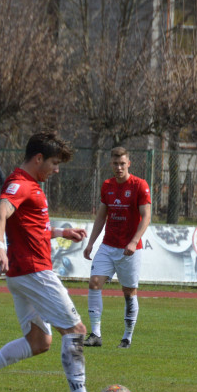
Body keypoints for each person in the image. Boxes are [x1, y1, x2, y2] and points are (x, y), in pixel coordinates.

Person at [0, 131, 120, 392]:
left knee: (39, 341)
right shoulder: (21, 183)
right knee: (77, 331)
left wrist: (61, 232)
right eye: (55, 163)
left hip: (22, 274)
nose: (57, 170)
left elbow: (30, 227)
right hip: (34, 271)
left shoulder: (28, 184)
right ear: (38, 158)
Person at [82, 146, 152, 349]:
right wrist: (91, 243)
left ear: (129, 163)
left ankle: (127, 337)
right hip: (108, 245)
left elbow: (146, 217)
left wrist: (133, 240)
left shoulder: (140, 185)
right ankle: (95, 334)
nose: (119, 167)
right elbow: (101, 216)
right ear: (111, 164)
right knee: (94, 282)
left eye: (122, 163)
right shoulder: (107, 185)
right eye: (115, 163)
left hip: (130, 249)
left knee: (129, 292)